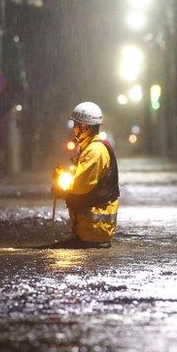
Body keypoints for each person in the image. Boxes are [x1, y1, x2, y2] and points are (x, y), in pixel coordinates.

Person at [50, 102, 119, 249]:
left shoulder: (95, 151)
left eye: (75, 124)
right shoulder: (89, 148)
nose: (73, 128)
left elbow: (79, 187)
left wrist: (60, 184)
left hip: (94, 231)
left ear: (84, 127)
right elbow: (82, 177)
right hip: (89, 231)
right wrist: (63, 175)